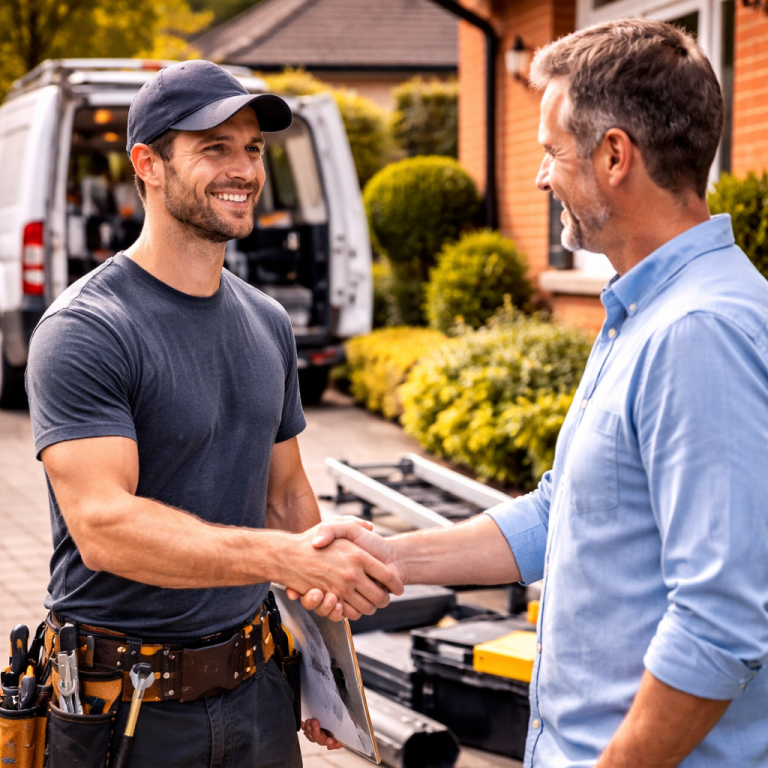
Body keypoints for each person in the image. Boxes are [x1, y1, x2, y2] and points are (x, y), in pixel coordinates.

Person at [297, 19, 768, 768]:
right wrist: (390, 560)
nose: (542, 176)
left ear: (615, 155)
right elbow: (563, 513)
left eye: (551, 151)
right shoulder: (640, 313)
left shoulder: (699, 333)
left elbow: (720, 623)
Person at [26, 60, 402, 767]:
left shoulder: (266, 322)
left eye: (254, 148)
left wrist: (329, 683)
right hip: (127, 714)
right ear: (150, 165)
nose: (244, 169)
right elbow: (105, 526)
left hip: (257, 691)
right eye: (215, 147)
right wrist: (279, 557)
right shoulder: (88, 328)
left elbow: (287, 497)